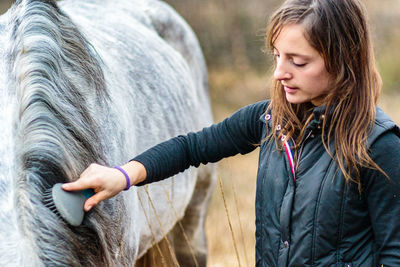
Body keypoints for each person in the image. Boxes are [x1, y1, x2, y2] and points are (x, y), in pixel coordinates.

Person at [62, 0, 400, 265]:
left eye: (298, 62)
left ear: (344, 60)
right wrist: (122, 175)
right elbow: (191, 148)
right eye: (277, 56)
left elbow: (394, 253)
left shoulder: (379, 145)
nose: (280, 73)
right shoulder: (270, 120)